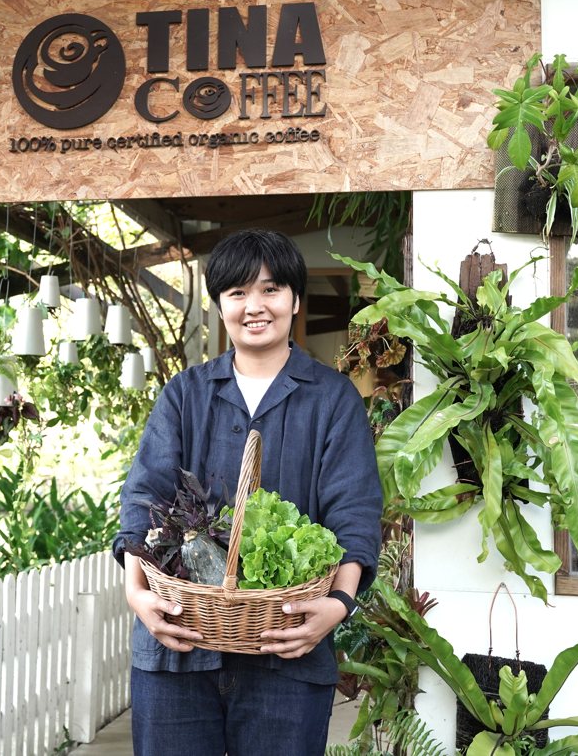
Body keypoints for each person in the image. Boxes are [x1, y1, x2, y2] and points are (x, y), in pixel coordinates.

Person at [113, 229, 382, 756]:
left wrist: (339, 604)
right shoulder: (184, 394)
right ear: (218, 305)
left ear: (295, 300)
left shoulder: (333, 399)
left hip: (287, 652)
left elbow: (355, 512)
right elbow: (143, 500)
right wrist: (136, 594)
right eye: (237, 293)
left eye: (271, 289)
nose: (254, 306)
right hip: (178, 650)